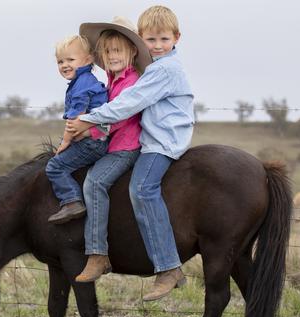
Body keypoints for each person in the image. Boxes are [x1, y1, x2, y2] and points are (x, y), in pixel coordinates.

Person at [67, 6, 194, 301]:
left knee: (143, 188)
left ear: (176, 38)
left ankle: (168, 267)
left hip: (162, 142)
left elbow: (130, 102)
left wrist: (89, 118)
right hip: (154, 137)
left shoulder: (165, 70)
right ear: (141, 40)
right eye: (151, 40)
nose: (158, 46)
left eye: (164, 39)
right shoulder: (151, 69)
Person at [71, 17, 152, 283]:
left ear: (132, 52)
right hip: (111, 147)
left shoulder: (131, 82)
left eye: (117, 50)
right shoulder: (111, 80)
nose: (111, 56)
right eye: (107, 51)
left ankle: (97, 254)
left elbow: (118, 119)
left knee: (94, 183)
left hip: (125, 147)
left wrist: (87, 130)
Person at [45, 35, 108, 224]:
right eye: (60, 61)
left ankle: (71, 201)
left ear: (88, 60)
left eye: (70, 60)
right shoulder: (85, 80)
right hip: (96, 138)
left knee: (55, 166)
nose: (64, 65)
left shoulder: (81, 86)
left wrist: (64, 143)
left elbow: (75, 119)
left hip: (92, 142)